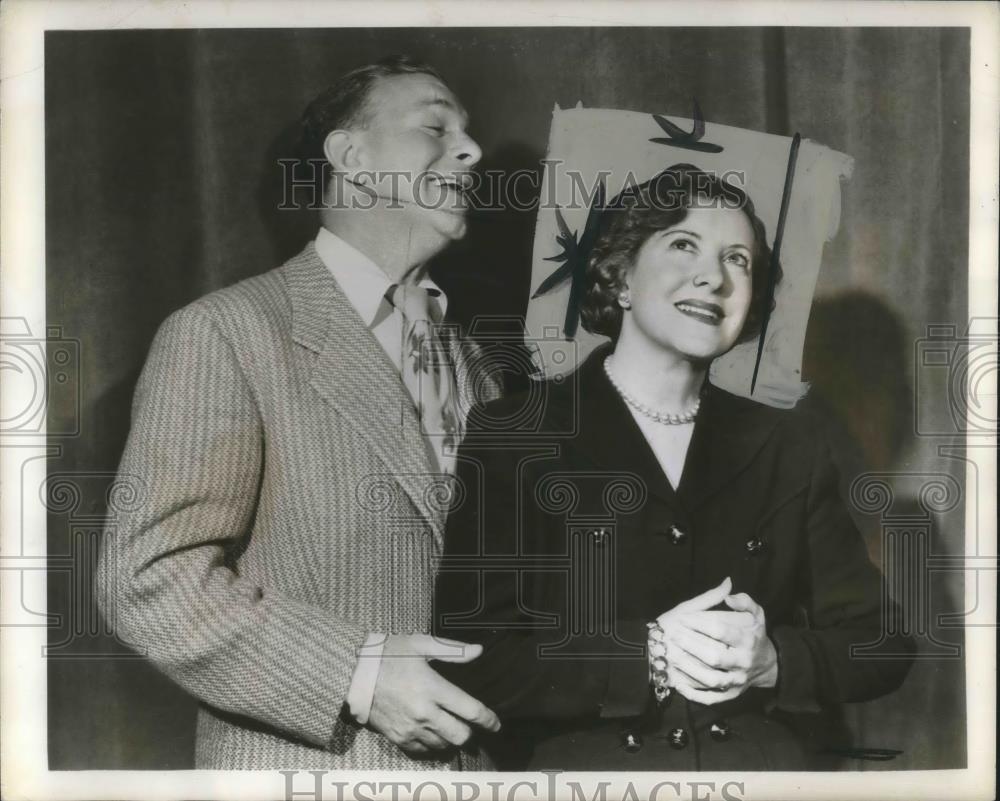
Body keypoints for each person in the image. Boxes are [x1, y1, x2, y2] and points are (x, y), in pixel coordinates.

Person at [434, 164, 915, 770]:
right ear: (621, 276)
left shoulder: (790, 444)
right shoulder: (515, 431)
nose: (712, 276)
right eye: (683, 244)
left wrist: (775, 660)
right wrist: (647, 654)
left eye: (737, 259)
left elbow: (881, 645)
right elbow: (475, 654)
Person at [97, 55, 503, 770]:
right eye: (436, 126)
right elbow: (146, 577)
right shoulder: (226, 331)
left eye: (467, 135)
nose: (470, 150)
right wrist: (358, 672)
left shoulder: (482, 369)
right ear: (350, 157)